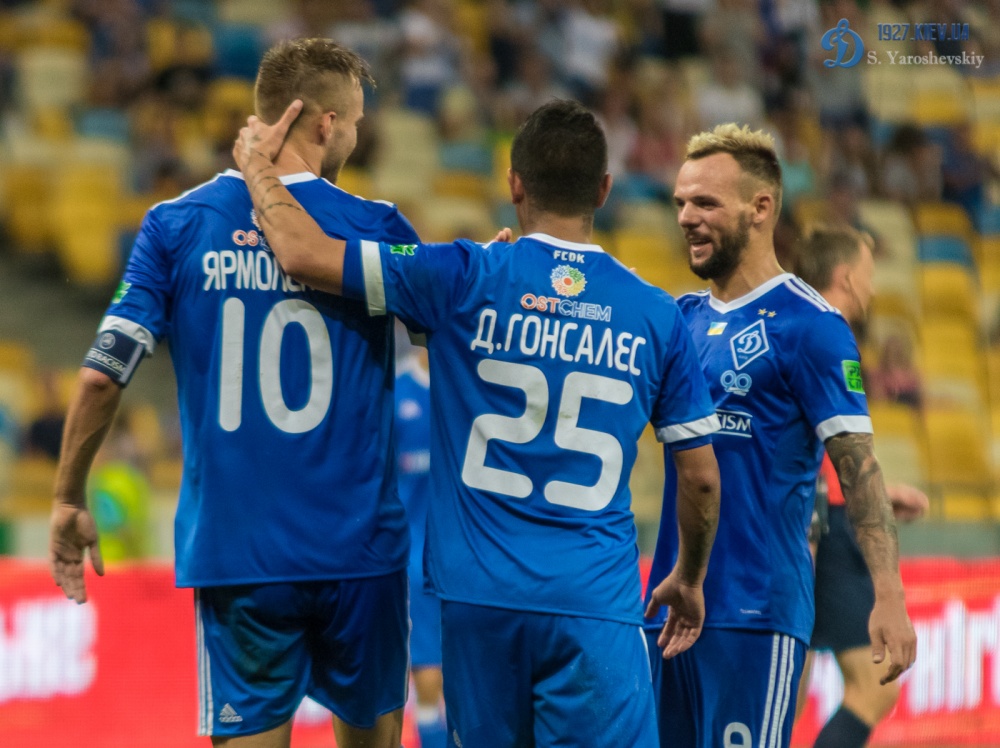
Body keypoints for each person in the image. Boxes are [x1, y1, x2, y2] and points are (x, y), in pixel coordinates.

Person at [233, 98, 723, 747]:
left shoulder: (462, 277)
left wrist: (256, 167)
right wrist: (689, 577)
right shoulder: (656, 314)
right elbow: (701, 479)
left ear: (514, 184)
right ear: (604, 190)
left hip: (479, 603)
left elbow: (301, 253)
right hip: (593, 602)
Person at [49, 39, 420, 748]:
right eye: (354, 121)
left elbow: (100, 374)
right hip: (361, 553)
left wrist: (68, 496)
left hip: (240, 557)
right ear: (325, 124)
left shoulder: (175, 225)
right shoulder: (377, 227)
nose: (356, 135)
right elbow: (445, 337)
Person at [642, 124, 917, 748]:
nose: (685, 217)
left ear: (760, 208)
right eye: (680, 202)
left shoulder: (811, 325)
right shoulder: (679, 319)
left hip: (754, 615)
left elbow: (859, 468)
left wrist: (889, 595)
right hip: (668, 612)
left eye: (705, 202)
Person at [794, 224, 928, 748]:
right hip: (820, 529)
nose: (873, 288)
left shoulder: (796, 328)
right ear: (846, 277)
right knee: (864, 685)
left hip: (821, 513)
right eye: (869, 275)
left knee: (789, 690)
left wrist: (873, 492)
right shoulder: (825, 333)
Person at [394, 347, 447, 748]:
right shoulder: (396, 394)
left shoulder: (472, 383)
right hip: (416, 560)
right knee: (428, 674)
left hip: (470, 558)